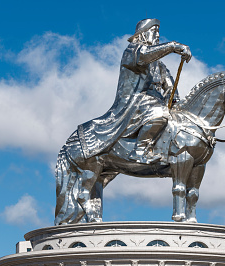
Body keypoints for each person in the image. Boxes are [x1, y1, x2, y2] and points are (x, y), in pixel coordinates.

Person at [77, 18, 192, 164]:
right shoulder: (132, 51)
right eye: (154, 32)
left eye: (158, 32)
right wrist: (173, 46)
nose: (157, 36)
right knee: (159, 114)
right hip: (135, 101)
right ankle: (140, 151)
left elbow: (169, 84)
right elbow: (144, 55)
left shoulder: (159, 64)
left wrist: (174, 99)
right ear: (143, 34)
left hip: (156, 101)